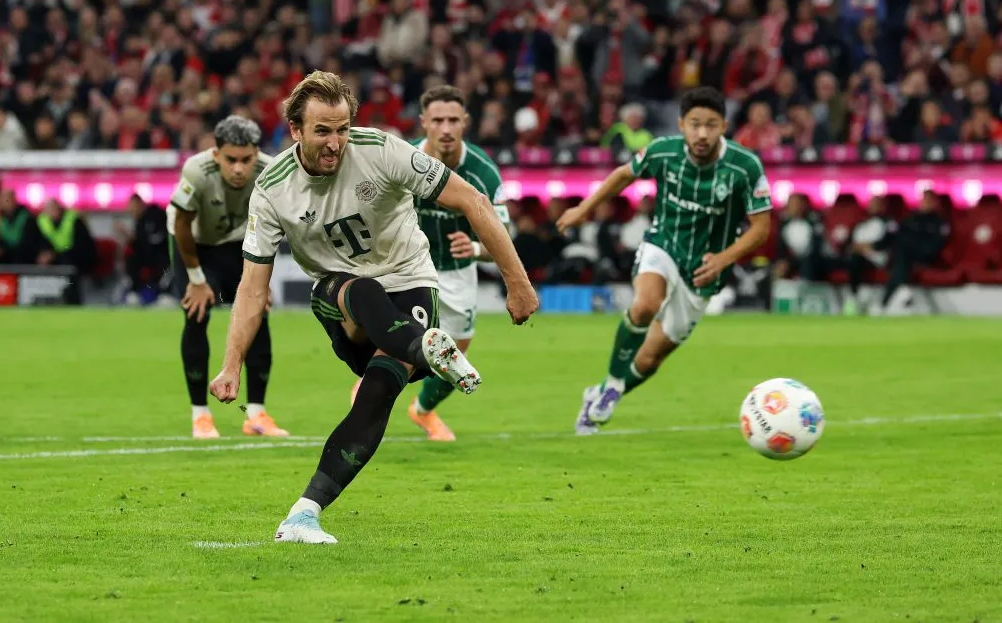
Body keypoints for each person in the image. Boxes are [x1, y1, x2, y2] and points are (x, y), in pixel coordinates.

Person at [207, 71, 538, 544]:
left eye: (342, 128)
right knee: (361, 290)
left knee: (377, 396)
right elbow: (253, 288)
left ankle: (302, 515)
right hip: (341, 304)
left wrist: (517, 282)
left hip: (410, 286)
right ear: (296, 130)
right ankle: (429, 353)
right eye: (322, 130)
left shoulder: (382, 150)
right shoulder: (272, 189)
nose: (335, 141)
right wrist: (231, 363)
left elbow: (473, 200)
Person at [556, 87, 773, 435]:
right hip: (663, 247)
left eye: (711, 125)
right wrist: (585, 208)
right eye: (695, 124)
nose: (702, 133)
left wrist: (723, 259)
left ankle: (601, 394)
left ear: (724, 126)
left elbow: (761, 227)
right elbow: (623, 174)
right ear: (681, 124)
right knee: (645, 305)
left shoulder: (744, 167)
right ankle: (612, 383)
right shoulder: (663, 151)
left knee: (649, 359)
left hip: (704, 271)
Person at [348, 85, 508, 442]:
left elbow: (504, 229)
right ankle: (371, 384)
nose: (446, 128)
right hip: (404, 268)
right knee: (398, 334)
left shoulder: (483, 173)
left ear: (466, 122)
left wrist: (478, 249)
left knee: (457, 353)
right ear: (424, 123)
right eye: (438, 120)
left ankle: (422, 410)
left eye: (454, 119)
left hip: (456, 272)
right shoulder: (404, 160)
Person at [167, 116, 287, 439]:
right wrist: (196, 279)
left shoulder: (272, 170)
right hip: (193, 246)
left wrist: (263, 283)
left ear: (256, 154)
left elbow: (277, 225)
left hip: (237, 244)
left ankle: (257, 415)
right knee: (197, 313)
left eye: (246, 160)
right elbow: (181, 225)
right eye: (231, 160)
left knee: (257, 314)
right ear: (216, 154)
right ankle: (200, 416)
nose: (238, 169)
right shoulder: (196, 171)